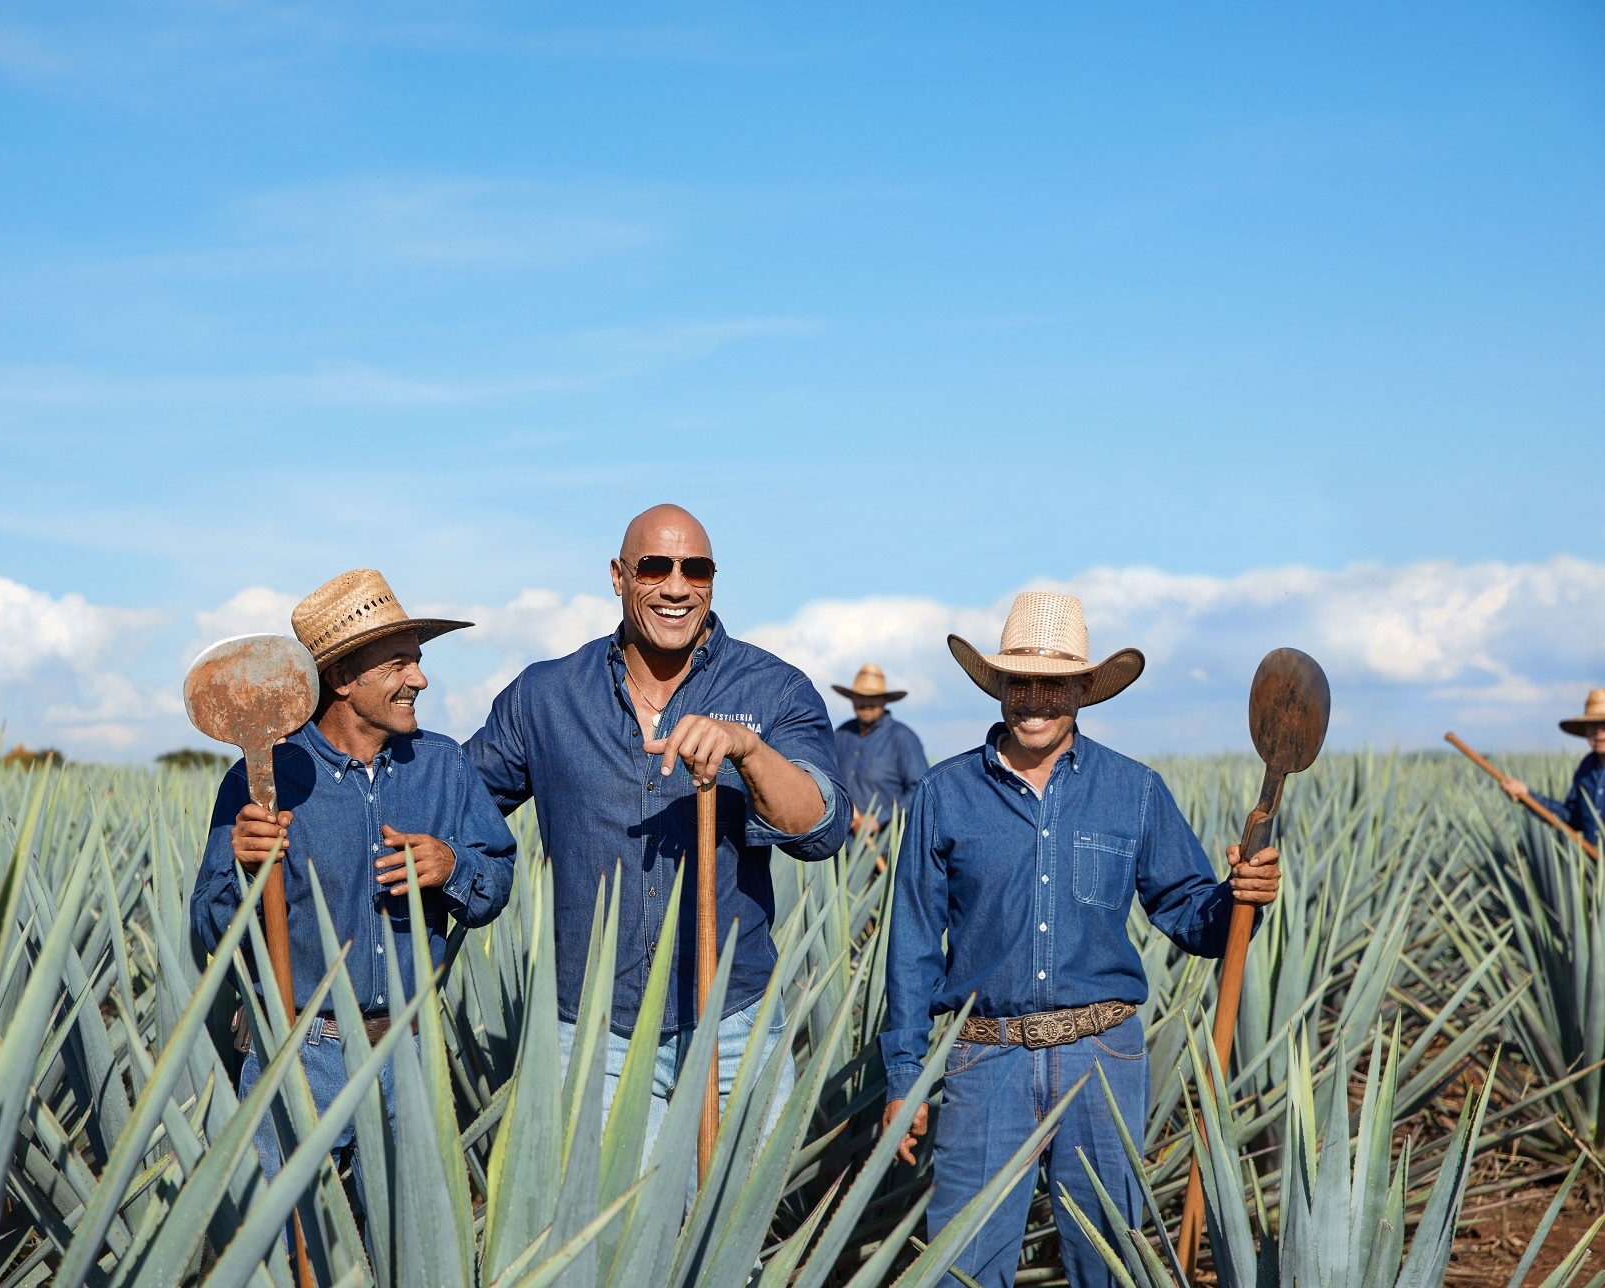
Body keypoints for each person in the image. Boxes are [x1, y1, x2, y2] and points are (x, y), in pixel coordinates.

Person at [879, 592, 1281, 1288]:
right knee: (961, 1268)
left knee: (1111, 1263)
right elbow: (912, 945)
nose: (1034, 701)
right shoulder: (944, 794)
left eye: (1054, 685)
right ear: (999, 686)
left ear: (1082, 692)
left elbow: (1189, 912)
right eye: (1020, 682)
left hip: (1102, 1055)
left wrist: (1239, 899)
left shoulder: (1135, 790)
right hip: (985, 1055)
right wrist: (904, 1077)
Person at [465, 503, 853, 1148]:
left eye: (695, 569)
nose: (677, 586)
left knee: (731, 1244)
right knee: (605, 1243)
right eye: (655, 567)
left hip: (732, 1028)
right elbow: (457, 803)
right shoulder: (548, 696)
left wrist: (748, 751)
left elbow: (821, 828)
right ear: (618, 575)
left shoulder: (774, 690)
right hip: (591, 1030)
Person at [190, 569, 517, 1185]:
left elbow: (496, 880)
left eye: (416, 662)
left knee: (404, 1257)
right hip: (293, 1051)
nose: (418, 679)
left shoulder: (442, 766)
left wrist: (452, 868)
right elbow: (210, 924)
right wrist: (243, 867)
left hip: (408, 1051)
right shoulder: (261, 776)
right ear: (342, 679)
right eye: (398, 665)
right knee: (282, 1252)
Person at [831, 664, 929, 837]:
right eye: (860, 696)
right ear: (852, 698)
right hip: (841, 848)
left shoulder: (903, 738)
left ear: (884, 700)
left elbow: (920, 791)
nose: (866, 703)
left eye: (873, 697)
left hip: (884, 847)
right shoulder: (840, 735)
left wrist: (878, 819)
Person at [1499, 688, 1605, 846]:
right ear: (1585, 730)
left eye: (1603, 724)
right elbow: (1571, 816)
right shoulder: (1586, 768)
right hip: (1596, 868)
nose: (1598, 732)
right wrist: (1527, 795)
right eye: (1592, 724)